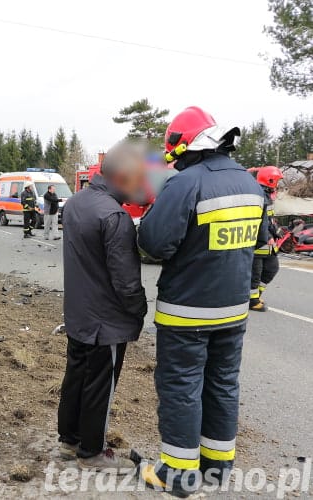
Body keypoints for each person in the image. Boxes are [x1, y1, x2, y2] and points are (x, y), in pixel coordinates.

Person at [138, 107, 268, 496]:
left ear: (184, 145)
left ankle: (177, 476)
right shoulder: (250, 183)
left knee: (181, 387)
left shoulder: (185, 184)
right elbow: (262, 243)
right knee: (223, 383)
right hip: (233, 311)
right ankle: (217, 467)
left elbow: (154, 243)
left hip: (186, 313)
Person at [58, 141, 148, 472]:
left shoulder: (77, 202)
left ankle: (69, 441)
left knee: (77, 377)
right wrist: (139, 310)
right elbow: (126, 283)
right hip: (106, 322)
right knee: (100, 385)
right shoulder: (114, 216)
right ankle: (92, 452)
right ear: (122, 177)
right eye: (137, 178)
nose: (141, 185)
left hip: (80, 314)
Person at [250, 166, 283, 312]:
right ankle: (252, 300)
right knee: (255, 274)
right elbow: (260, 220)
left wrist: (276, 232)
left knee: (272, 268)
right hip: (258, 242)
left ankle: (257, 294)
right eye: (277, 181)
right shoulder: (260, 195)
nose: (278, 184)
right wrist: (268, 236)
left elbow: (269, 220)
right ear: (270, 180)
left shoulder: (267, 195)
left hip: (267, 241)